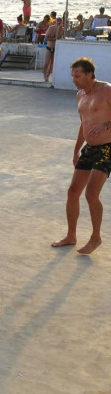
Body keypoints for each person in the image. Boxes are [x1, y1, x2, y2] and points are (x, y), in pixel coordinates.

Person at [51, 58, 111, 255]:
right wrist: (77, 149)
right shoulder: (80, 95)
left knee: (91, 193)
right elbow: (83, 123)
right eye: (72, 76)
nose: (74, 79)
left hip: (107, 147)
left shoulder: (106, 90)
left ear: (90, 74)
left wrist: (105, 125)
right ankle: (71, 236)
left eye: (77, 76)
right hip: (89, 148)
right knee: (73, 191)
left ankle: (96, 237)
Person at [43, 17, 64, 82]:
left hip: (55, 49)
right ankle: (44, 73)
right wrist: (54, 39)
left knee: (52, 64)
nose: (59, 23)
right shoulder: (51, 28)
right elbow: (46, 38)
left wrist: (59, 29)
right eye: (58, 21)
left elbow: (58, 37)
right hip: (49, 47)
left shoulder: (62, 29)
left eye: (60, 22)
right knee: (46, 62)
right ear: (55, 21)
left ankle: (47, 76)